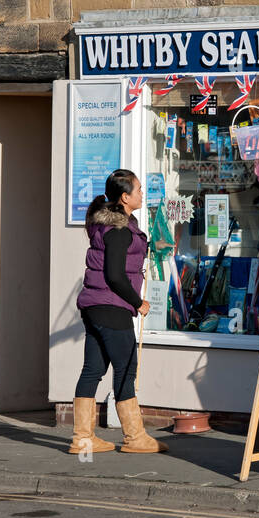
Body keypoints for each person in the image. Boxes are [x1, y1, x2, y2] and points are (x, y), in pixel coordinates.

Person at [69, 169, 168, 455]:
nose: (142, 194)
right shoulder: (120, 230)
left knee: (93, 369)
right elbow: (115, 275)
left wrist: (151, 246)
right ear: (125, 197)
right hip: (112, 308)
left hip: (95, 307)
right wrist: (138, 302)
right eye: (138, 190)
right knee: (126, 369)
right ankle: (134, 437)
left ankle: (83, 439)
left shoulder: (109, 226)